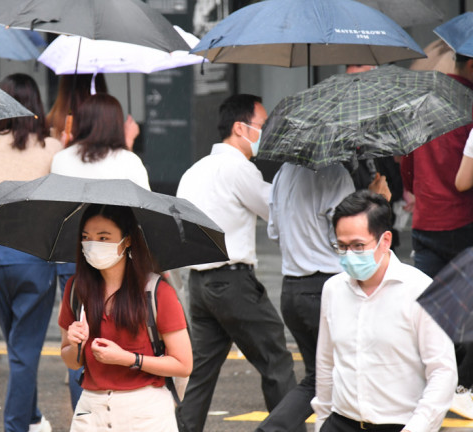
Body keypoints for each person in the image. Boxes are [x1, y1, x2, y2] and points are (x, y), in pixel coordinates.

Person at [175, 94, 298, 432]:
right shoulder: (238, 168)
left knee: (200, 372)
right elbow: (275, 209)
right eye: (262, 124)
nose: (265, 132)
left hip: (198, 285)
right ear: (240, 127)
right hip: (233, 283)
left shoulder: (195, 169)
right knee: (276, 361)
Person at [259, 162, 392, 432]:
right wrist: (377, 203)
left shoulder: (284, 172)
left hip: (292, 287)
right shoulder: (335, 173)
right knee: (341, 374)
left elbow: (273, 231)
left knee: (318, 377)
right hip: (326, 286)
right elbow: (350, 232)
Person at [312, 190, 457, 432]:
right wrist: (322, 421)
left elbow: (443, 371)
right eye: (342, 246)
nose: (349, 255)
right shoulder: (333, 290)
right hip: (340, 422)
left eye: (358, 246)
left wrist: (417, 427)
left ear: (385, 240)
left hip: (400, 425)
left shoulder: (420, 290)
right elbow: (326, 363)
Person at [0, 73, 61, 432]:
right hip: (33, 255)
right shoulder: (52, 148)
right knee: (24, 350)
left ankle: (33, 417)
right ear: (34, 105)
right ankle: (15, 427)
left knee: (18, 347)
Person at [50, 92, 150, 408]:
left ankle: (86, 406)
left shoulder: (62, 158)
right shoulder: (128, 160)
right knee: (116, 336)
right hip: (118, 262)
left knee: (78, 336)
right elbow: (144, 210)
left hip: (75, 255)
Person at [58, 204, 192, 431]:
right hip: (91, 413)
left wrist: (128, 359)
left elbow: (183, 364)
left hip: (145, 414)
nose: (93, 245)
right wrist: (74, 345)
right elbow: (72, 361)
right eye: (86, 238)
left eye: (103, 237)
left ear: (127, 240)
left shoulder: (156, 292)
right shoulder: (76, 290)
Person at [400, 52, 473, 418]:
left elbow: (407, 165)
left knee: (428, 308)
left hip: (426, 219)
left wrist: (419, 191)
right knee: (466, 305)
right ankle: (463, 385)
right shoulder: (470, 104)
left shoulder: (419, 105)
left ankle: (427, 384)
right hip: (463, 220)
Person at [50, 94, 148, 188]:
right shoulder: (130, 162)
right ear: (117, 124)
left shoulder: (61, 158)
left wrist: (66, 149)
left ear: (82, 122)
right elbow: (145, 202)